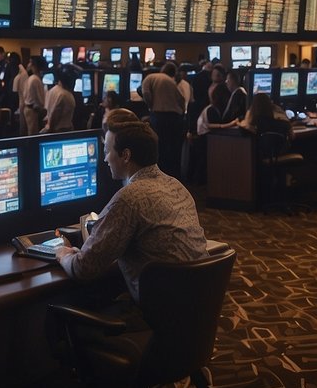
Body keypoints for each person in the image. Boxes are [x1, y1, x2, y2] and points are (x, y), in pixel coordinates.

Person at [55, 120, 208, 303]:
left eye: (107, 151)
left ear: (125, 155)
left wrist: (63, 254)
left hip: (163, 309)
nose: (105, 159)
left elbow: (84, 267)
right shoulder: (176, 186)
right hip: (196, 301)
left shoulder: (129, 198)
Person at [141, 62, 186, 179]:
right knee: (174, 151)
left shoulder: (149, 78)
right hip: (175, 118)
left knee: (159, 148)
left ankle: (159, 178)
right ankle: (175, 179)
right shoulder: (171, 81)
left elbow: (146, 94)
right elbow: (181, 100)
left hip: (160, 117)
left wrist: (151, 107)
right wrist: (182, 114)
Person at [42, 66, 77, 134]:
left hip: (52, 129)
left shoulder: (53, 90)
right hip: (62, 131)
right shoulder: (65, 95)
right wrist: (50, 128)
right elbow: (54, 115)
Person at [20, 56, 48, 136]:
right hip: (32, 110)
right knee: (33, 135)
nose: (28, 65)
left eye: (30, 62)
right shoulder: (35, 79)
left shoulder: (32, 78)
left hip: (30, 109)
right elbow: (40, 100)